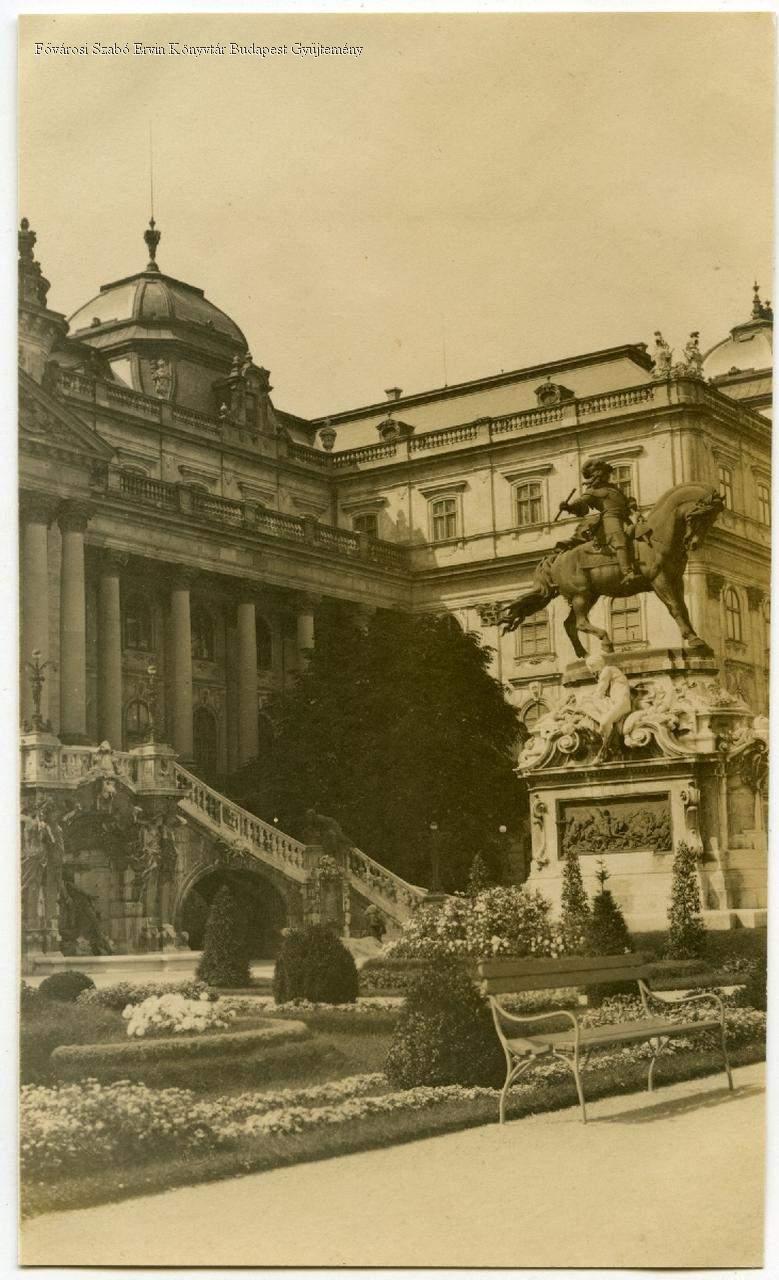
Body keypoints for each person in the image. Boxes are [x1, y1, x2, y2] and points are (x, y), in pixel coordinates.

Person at [559, 459, 642, 590]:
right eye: (605, 473)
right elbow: (581, 506)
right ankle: (627, 572)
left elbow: (627, 501)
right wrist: (568, 507)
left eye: (608, 473)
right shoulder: (592, 492)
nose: (608, 476)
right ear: (597, 475)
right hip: (611, 518)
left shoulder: (614, 489)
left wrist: (634, 508)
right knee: (619, 539)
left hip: (625, 518)